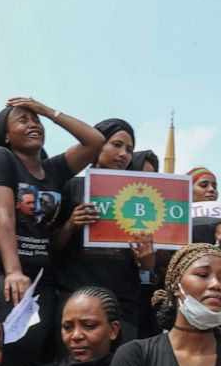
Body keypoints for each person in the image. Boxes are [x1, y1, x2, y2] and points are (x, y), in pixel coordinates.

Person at [0, 98, 104, 366]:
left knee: (42, 333)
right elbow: (4, 215)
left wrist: (47, 110)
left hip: (42, 276)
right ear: (6, 135)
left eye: (37, 120)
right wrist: (13, 271)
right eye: (22, 119)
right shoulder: (2, 157)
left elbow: (95, 141)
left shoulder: (54, 170)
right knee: (18, 312)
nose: (33, 124)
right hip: (2, 270)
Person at [55, 119, 155, 344]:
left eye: (129, 149)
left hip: (123, 303)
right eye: (116, 145)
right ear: (98, 143)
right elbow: (53, 246)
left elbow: (147, 267)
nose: (123, 154)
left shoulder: (141, 198)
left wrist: (147, 261)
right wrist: (71, 224)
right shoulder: (72, 187)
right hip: (75, 296)